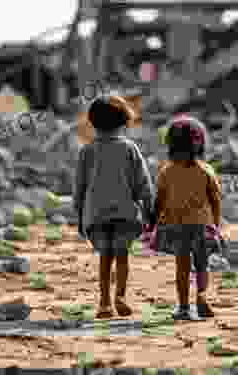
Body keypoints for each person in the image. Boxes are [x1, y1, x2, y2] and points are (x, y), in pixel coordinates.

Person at [73, 95, 155, 319]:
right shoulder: (130, 148)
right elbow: (142, 183)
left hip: (96, 214)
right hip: (125, 213)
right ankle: (120, 296)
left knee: (105, 256)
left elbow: (79, 188)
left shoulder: (87, 151)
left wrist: (79, 215)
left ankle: (104, 302)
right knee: (122, 254)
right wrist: (149, 209)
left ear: (92, 121)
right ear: (123, 120)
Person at [154, 115, 221, 320]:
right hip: (201, 225)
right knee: (202, 266)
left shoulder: (166, 172)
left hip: (177, 226)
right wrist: (215, 225)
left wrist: (155, 222)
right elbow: (215, 199)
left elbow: (160, 200)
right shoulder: (205, 170)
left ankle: (183, 307)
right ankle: (201, 297)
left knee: (182, 267)